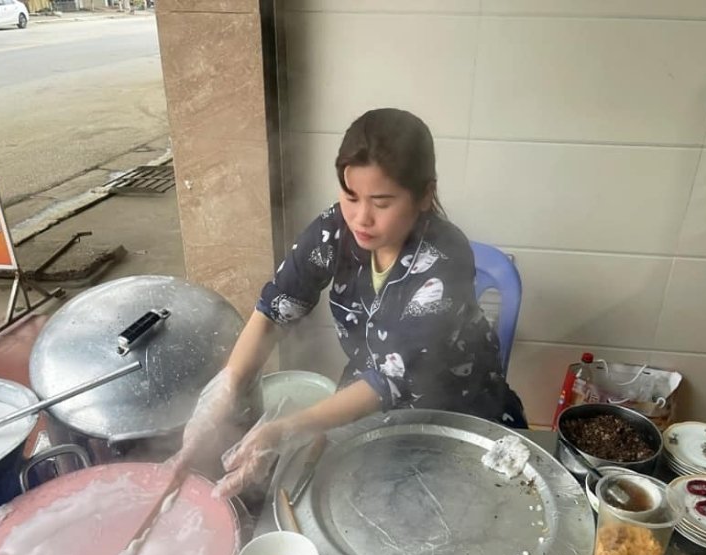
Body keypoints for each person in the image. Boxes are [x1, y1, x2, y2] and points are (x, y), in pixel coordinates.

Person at [182, 108, 527, 497]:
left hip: (456, 413)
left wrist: (286, 429)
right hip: (367, 401)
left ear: (425, 195)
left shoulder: (445, 261)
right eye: (350, 196)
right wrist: (227, 386)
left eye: (381, 203)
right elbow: (275, 309)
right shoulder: (337, 230)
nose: (361, 218)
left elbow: (388, 380)